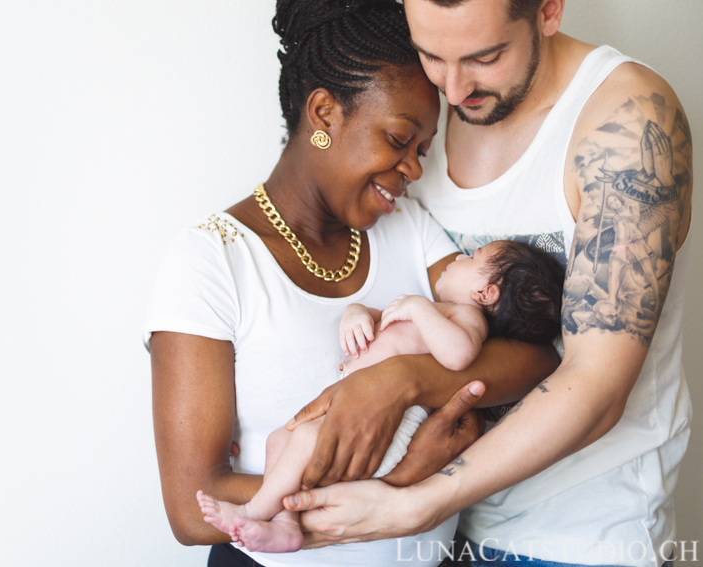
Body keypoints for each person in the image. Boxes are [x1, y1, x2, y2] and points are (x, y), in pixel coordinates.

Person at [144, 1, 559, 566]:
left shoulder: (409, 229)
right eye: (398, 139)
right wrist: (406, 480)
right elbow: (193, 509)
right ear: (323, 113)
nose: (414, 169)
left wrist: (401, 382)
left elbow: (534, 361)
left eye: (422, 151)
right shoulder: (212, 261)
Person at [280, 1, 692, 566]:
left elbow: (597, 383)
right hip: (434, 536)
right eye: (432, 56)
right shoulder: (420, 117)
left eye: (485, 57)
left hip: (580, 540)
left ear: (547, 10)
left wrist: (420, 500)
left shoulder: (625, 125)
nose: (452, 90)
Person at [196, 240, 563, 554]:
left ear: (487, 293)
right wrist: (357, 314)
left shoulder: (468, 320)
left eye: (472, 257)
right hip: (351, 413)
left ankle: (251, 511)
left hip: (395, 425)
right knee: (281, 439)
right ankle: (286, 522)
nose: (458, 257)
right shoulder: (439, 311)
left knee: (305, 439)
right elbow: (380, 319)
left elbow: (458, 354)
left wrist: (416, 307)